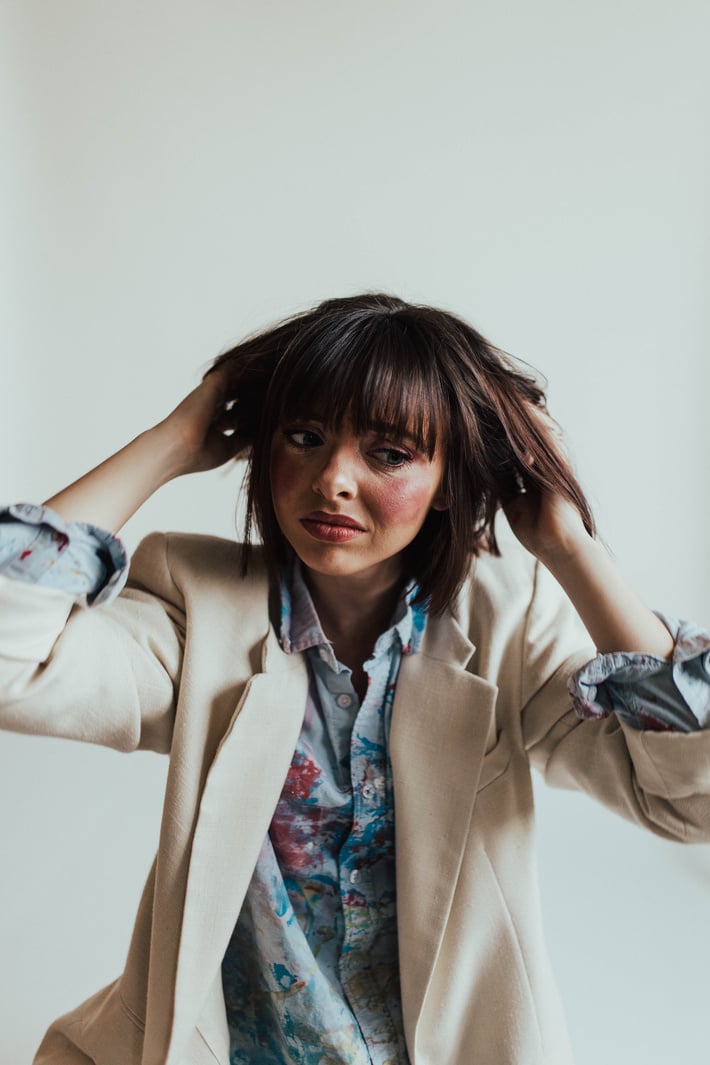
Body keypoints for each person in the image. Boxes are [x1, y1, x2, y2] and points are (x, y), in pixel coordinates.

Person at [1, 292, 709, 1065]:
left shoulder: (506, 621)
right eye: (303, 437)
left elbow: (691, 806)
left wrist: (570, 545)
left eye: (390, 452)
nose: (333, 479)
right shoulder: (199, 601)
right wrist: (172, 441)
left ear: (448, 478)